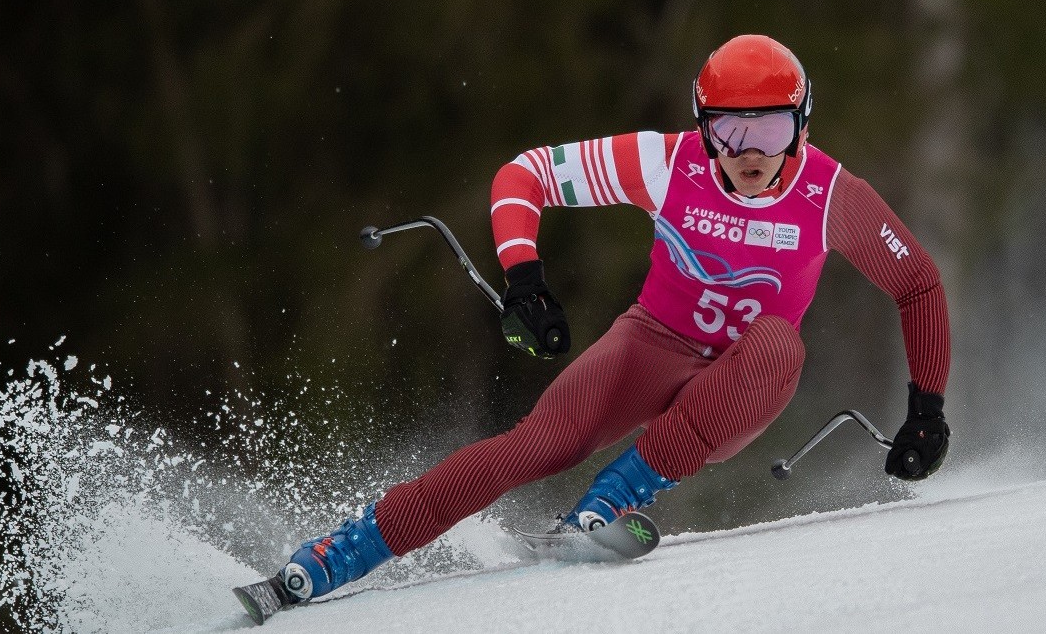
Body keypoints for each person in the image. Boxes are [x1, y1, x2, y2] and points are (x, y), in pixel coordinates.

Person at [266, 34, 951, 605]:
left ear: (802, 123)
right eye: (728, 128)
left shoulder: (831, 194)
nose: (749, 149)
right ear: (701, 124)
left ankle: (609, 501)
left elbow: (916, 283)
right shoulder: (664, 161)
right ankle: (338, 553)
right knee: (533, 445)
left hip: (744, 379)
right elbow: (523, 173)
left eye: (770, 126)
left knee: (777, 343)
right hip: (651, 342)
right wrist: (523, 276)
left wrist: (926, 407)